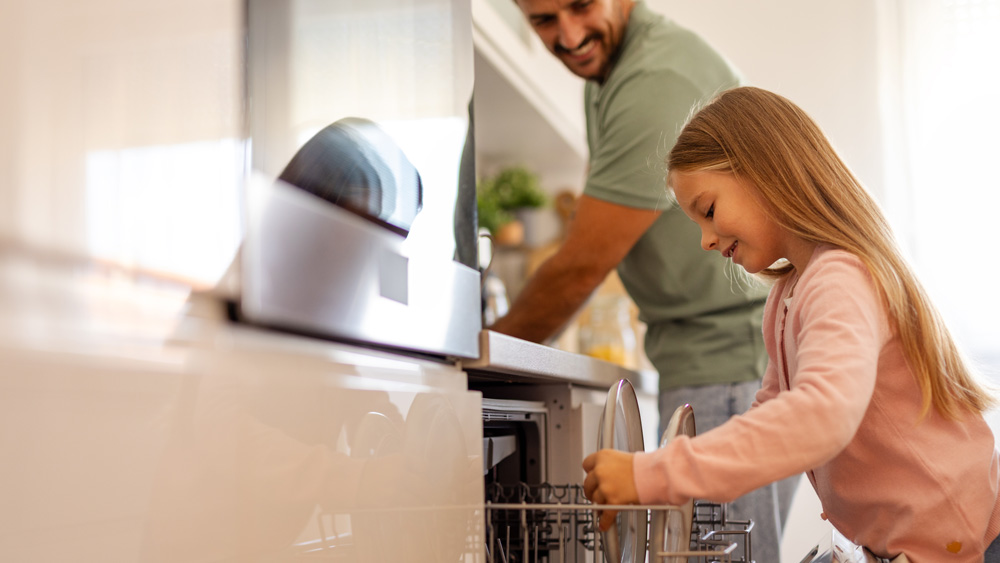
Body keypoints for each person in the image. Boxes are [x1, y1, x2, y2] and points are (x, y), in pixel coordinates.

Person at [582, 86, 1000, 562]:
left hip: (963, 542)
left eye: (710, 210)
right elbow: (773, 412)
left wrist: (652, 473)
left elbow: (817, 417)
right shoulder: (788, 295)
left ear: (766, 171)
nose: (705, 240)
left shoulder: (840, 278)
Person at [490, 0, 794, 560]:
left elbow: (583, 261)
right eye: (544, 21)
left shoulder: (653, 79)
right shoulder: (606, 72)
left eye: (581, 6)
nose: (569, 34)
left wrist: (481, 356)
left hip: (727, 362)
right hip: (714, 358)